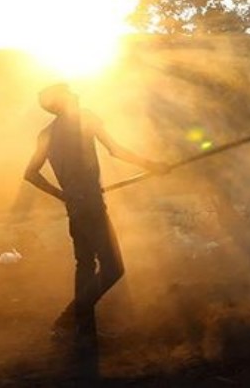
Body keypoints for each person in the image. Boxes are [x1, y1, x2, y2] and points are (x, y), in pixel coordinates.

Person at [22, 83, 164, 345]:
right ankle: (67, 318)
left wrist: (63, 195)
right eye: (69, 92)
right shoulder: (85, 117)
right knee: (114, 268)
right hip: (91, 206)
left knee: (85, 266)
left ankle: (84, 333)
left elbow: (30, 174)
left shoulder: (47, 134)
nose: (75, 94)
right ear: (63, 101)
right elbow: (116, 150)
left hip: (75, 207)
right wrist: (152, 165)